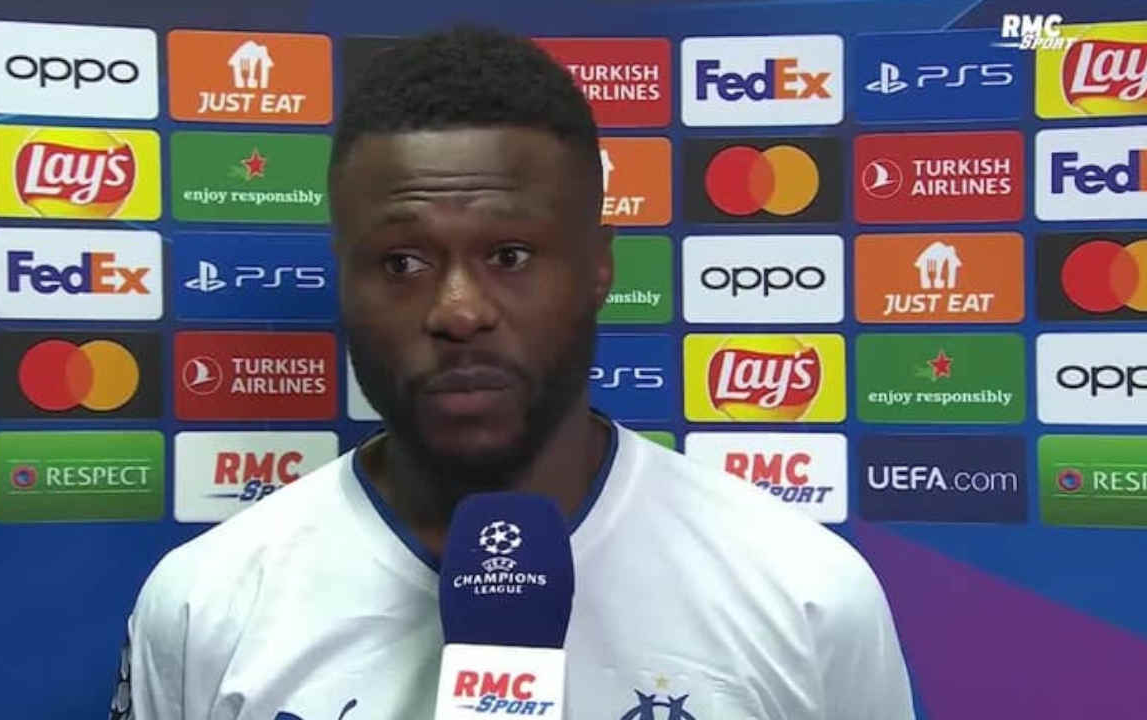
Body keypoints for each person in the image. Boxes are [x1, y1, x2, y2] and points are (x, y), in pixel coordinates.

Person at [112, 25, 915, 720]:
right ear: (345, 280)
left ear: (598, 268)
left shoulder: (806, 595)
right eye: (402, 262)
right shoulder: (204, 606)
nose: (459, 311)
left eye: (510, 255)